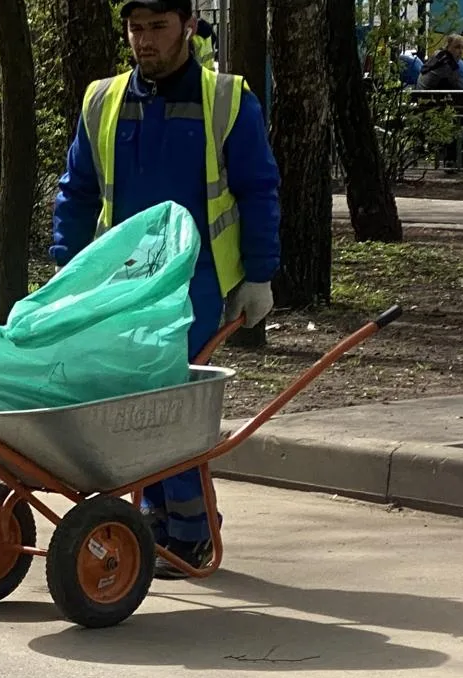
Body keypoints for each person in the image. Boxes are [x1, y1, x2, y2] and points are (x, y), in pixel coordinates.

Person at [52, 0, 280, 578]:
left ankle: (194, 532)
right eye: (136, 28)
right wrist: (64, 272)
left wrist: (259, 275)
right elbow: (77, 192)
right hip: (124, 283)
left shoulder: (227, 101)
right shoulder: (104, 101)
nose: (145, 41)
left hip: (195, 282)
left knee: (169, 408)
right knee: (137, 410)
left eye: (157, 27)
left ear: (188, 26)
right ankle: (156, 523)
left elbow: (258, 189)